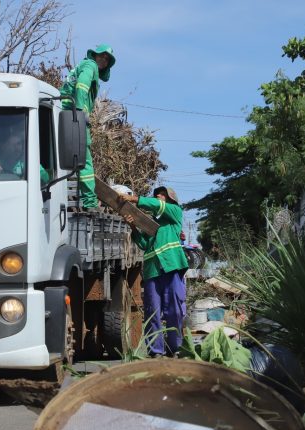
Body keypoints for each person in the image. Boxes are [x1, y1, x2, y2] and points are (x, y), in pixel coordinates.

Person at [119, 186, 189, 357]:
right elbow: (143, 244)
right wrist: (133, 227)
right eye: (157, 194)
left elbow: (158, 206)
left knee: (174, 311)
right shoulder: (150, 223)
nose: (159, 195)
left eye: (163, 194)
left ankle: (175, 348)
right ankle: (156, 350)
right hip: (152, 272)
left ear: (171, 200)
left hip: (172, 267)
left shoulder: (175, 212)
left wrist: (134, 199)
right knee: (153, 312)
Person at [59, 44, 116, 210]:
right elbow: (82, 86)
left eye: (107, 59)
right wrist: (80, 112)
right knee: (84, 159)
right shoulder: (90, 66)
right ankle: (90, 202)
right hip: (72, 113)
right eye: (102, 56)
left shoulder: (84, 65)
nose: (104, 60)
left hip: (65, 112)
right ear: (95, 55)